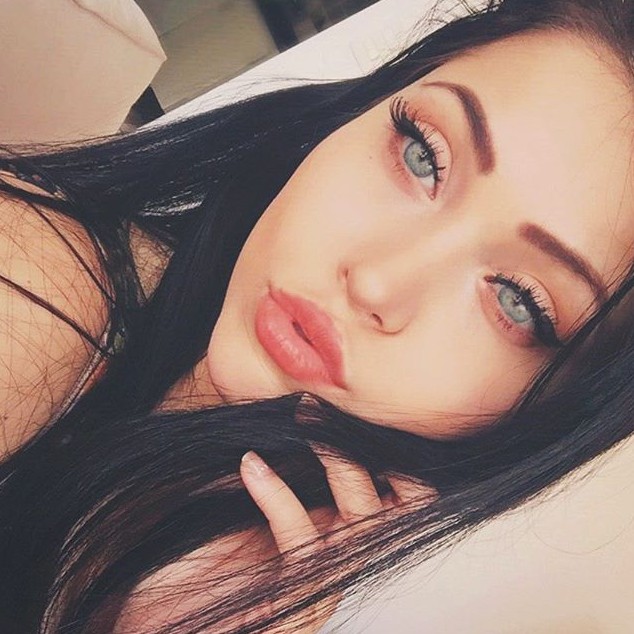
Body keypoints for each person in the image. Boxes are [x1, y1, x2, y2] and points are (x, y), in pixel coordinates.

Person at [0, 0, 633, 631]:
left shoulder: (242, 572)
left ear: (553, 409)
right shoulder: (41, 283)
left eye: (518, 299)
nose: (376, 282)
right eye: (423, 155)